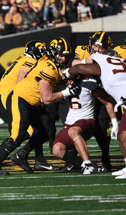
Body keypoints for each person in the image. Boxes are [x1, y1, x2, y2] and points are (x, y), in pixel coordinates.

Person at [0, 37, 81, 176]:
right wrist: (67, 92)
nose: (63, 58)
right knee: (19, 134)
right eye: (61, 54)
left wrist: (67, 77)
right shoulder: (46, 67)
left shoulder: (49, 63)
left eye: (66, 55)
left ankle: (23, 155)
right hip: (20, 99)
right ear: (53, 53)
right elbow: (47, 99)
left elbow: (59, 72)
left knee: (46, 129)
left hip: (31, 102)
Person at [66, 50, 126, 179]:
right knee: (122, 136)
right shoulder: (120, 63)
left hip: (119, 101)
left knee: (121, 136)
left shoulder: (104, 65)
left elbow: (78, 67)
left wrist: (67, 73)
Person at [52, 76, 117, 174]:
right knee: (57, 149)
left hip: (86, 120)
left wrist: (115, 122)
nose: (69, 81)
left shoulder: (89, 84)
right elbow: (50, 97)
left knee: (73, 131)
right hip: (70, 123)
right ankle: (83, 164)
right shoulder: (65, 85)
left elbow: (108, 103)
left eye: (71, 78)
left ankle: (88, 165)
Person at [71, 31, 114, 172]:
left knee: (102, 129)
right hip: (84, 96)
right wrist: (85, 61)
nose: (99, 50)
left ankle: (105, 159)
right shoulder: (82, 50)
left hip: (101, 94)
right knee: (74, 127)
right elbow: (74, 63)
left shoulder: (111, 55)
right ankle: (73, 160)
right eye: (97, 46)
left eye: (102, 48)